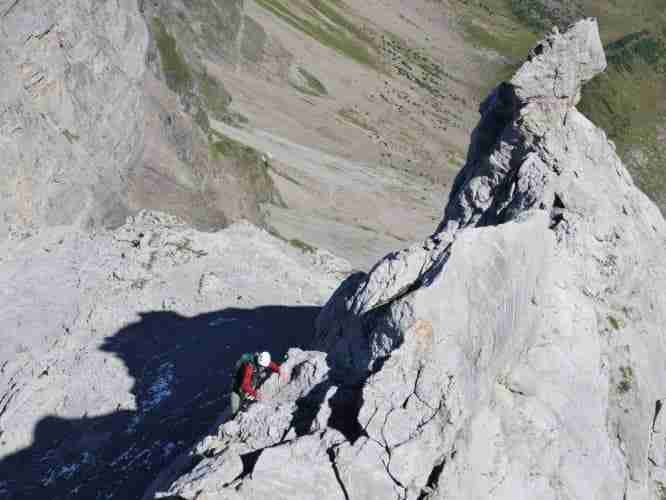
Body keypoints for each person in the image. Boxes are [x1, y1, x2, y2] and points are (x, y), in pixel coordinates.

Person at [230, 351, 286, 416]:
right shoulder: (250, 367)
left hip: (248, 381)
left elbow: (270, 364)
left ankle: (246, 401)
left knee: (248, 395)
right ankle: (235, 416)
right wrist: (256, 394)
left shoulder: (262, 360)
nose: (263, 368)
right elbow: (244, 385)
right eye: (262, 366)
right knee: (235, 409)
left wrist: (279, 370)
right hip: (237, 385)